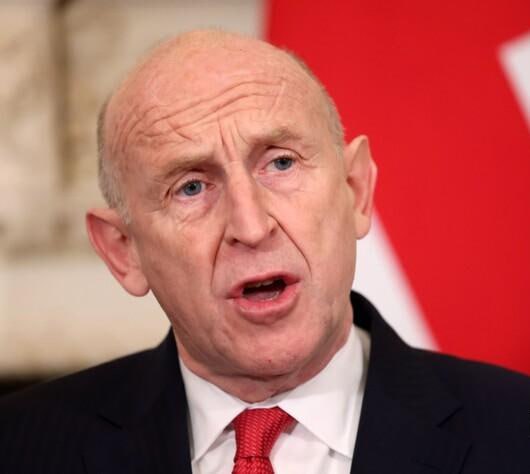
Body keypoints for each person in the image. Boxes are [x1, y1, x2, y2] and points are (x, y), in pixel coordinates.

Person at [0, 30, 528, 474]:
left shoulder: (516, 432)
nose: (251, 228)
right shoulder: (21, 448)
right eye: (191, 187)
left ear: (355, 191)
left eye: (280, 163)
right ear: (124, 251)